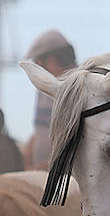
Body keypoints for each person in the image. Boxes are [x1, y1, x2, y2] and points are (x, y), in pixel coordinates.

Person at [24, 30, 77, 170]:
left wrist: (48, 166)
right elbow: (41, 129)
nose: (38, 66)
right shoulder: (44, 88)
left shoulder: (77, 88)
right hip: (42, 175)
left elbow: (77, 142)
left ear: (51, 59)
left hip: (67, 178)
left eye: (38, 61)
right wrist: (27, 156)